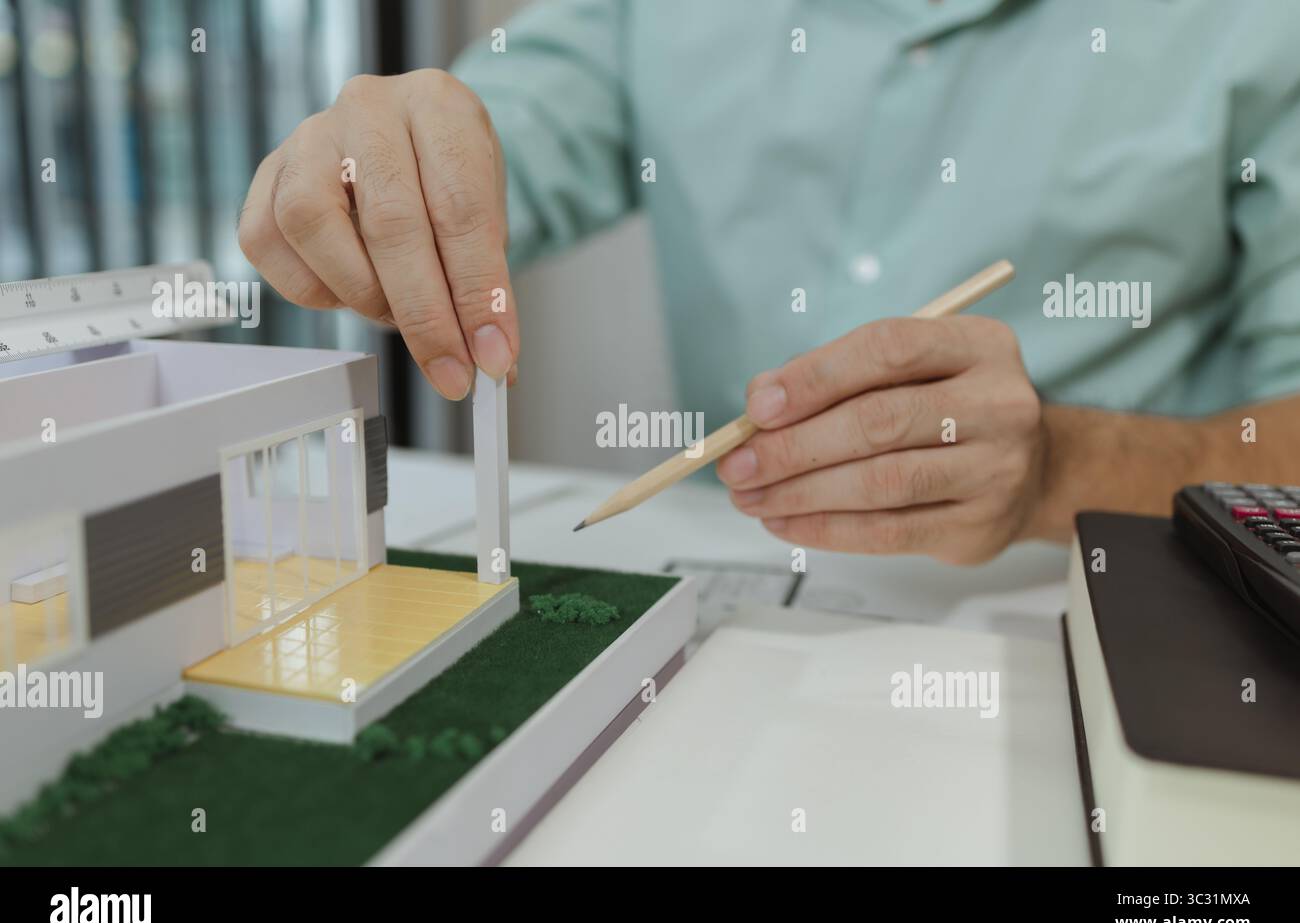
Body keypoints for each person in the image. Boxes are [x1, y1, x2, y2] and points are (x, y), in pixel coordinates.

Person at [237, 0, 1300, 564]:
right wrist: (384, 165)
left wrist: (1060, 467)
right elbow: (503, 130)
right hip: (733, 609)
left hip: (1087, 616)